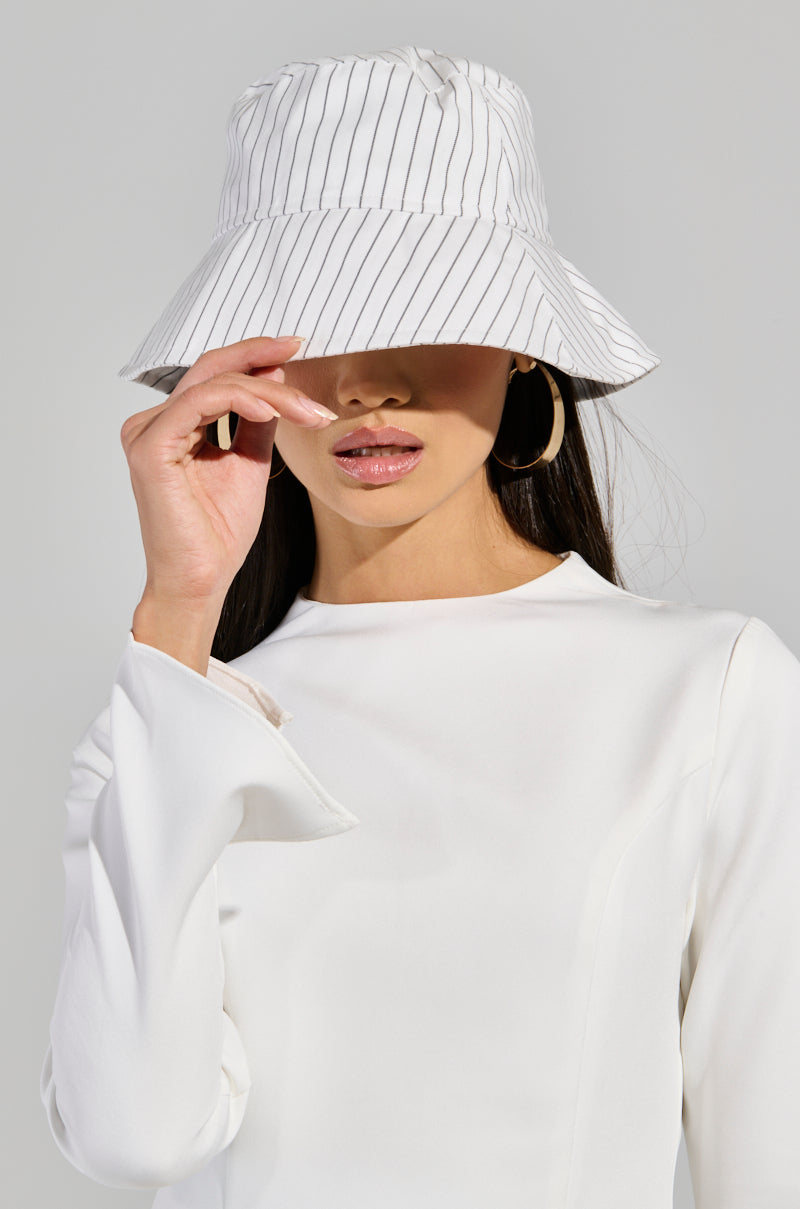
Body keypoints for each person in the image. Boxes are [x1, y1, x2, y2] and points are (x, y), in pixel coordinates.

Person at [40, 47, 800, 1209]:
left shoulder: (706, 689)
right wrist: (178, 615)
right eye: (311, 321)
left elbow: (768, 1162)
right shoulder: (175, 720)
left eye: (426, 307)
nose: (363, 384)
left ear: (520, 339)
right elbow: (132, 1141)